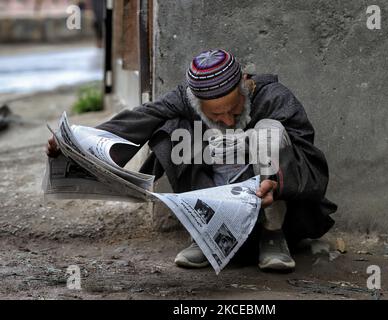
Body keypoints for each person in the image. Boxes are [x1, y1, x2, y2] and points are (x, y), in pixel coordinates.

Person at [46, 49, 337, 272]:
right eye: (215, 115)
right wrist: (76, 144)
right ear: (197, 102)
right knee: (171, 131)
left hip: (270, 202)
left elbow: (308, 160)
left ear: (245, 84)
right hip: (219, 190)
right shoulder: (186, 100)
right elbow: (142, 117)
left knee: (270, 132)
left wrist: (276, 181)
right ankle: (208, 234)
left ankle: (272, 238)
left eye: (233, 110)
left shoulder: (275, 98)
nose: (225, 119)